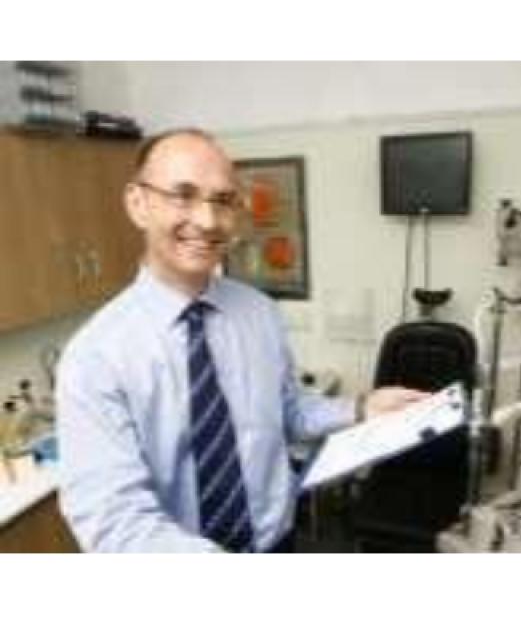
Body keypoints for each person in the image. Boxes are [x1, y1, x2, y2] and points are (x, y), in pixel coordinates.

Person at [57, 128, 427, 553]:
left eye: (223, 200)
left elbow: (287, 411)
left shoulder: (258, 311)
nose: (207, 220)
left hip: (279, 542)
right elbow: (114, 519)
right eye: (183, 195)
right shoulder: (95, 357)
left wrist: (362, 408)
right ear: (137, 203)